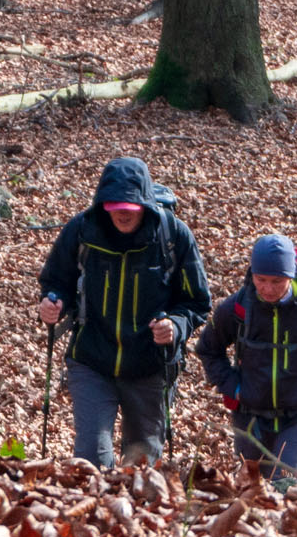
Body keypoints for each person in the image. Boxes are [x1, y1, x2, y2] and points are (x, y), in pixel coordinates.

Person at [36, 157, 212, 467]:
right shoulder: (82, 231)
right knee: (91, 458)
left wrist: (175, 324)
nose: (121, 213)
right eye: (114, 205)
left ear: (144, 204)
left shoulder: (173, 236)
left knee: (140, 467)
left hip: (150, 366)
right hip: (92, 359)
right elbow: (56, 280)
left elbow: (196, 302)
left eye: (130, 207)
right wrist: (53, 302)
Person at [195, 233, 297, 485]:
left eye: (277, 281)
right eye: (261, 280)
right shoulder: (237, 307)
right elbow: (208, 348)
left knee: (285, 485)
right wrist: (233, 388)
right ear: (252, 273)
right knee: (252, 490)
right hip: (249, 416)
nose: (268, 289)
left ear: (291, 275)